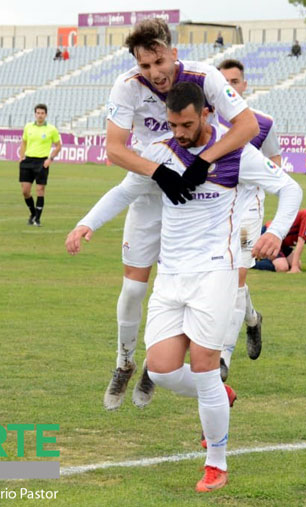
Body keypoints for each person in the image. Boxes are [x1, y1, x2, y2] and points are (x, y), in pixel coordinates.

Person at [67, 83, 302, 492]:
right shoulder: (161, 152)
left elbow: (290, 188)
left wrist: (277, 231)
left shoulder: (236, 154)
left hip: (216, 272)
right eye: (173, 123)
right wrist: (86, 223)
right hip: (171, 276)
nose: (178, 131)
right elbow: (125, 190)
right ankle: (218, 394)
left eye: (187, 124)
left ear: (207, 114)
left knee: (206, 364)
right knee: (161, 369)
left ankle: (216, 462)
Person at [77, 18, 260, 411]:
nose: (154, 73)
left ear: (173, 53)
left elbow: (247, 125)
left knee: (201, 280)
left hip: (200, 194)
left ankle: (165, 363)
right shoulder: (127, 87)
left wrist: (204, 161)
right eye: (145, 66)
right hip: (149, 186)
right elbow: (114, 148)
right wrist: (157, 172)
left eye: (159, 62)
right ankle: (124, 363)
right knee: (134, 289)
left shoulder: (205, 77)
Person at [217, 58, 284, 373]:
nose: (230, 87)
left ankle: (222, 358)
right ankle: (253, 319)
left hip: (248, 212)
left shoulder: (263, 123)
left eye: (235, 81)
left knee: (237, 276)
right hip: (213, 212)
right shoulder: (205, 121)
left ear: (243, 86)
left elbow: (275, 161)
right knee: (224, 279)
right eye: (223, 81)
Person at [252, 208, 306, 273]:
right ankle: (250, 263)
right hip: (273, 236)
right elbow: (300, 243)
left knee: (298, 264)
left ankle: (266, 257)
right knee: (282, 268)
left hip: (284, 243)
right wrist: (294, 267)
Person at [19, 104, 61, 226]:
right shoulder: (28, 127)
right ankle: (33, 213)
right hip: (28, 161)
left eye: (42, 113)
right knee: (25, 191)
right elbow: (24, 142)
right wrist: (21, 157)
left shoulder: (51, 129)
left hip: (42, 161)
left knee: (40, 189)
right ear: (35, 114)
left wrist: (50, 159)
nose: (40, 115)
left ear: (46, 115)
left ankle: (37, 219)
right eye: (38, 113)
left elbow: (58, 146)